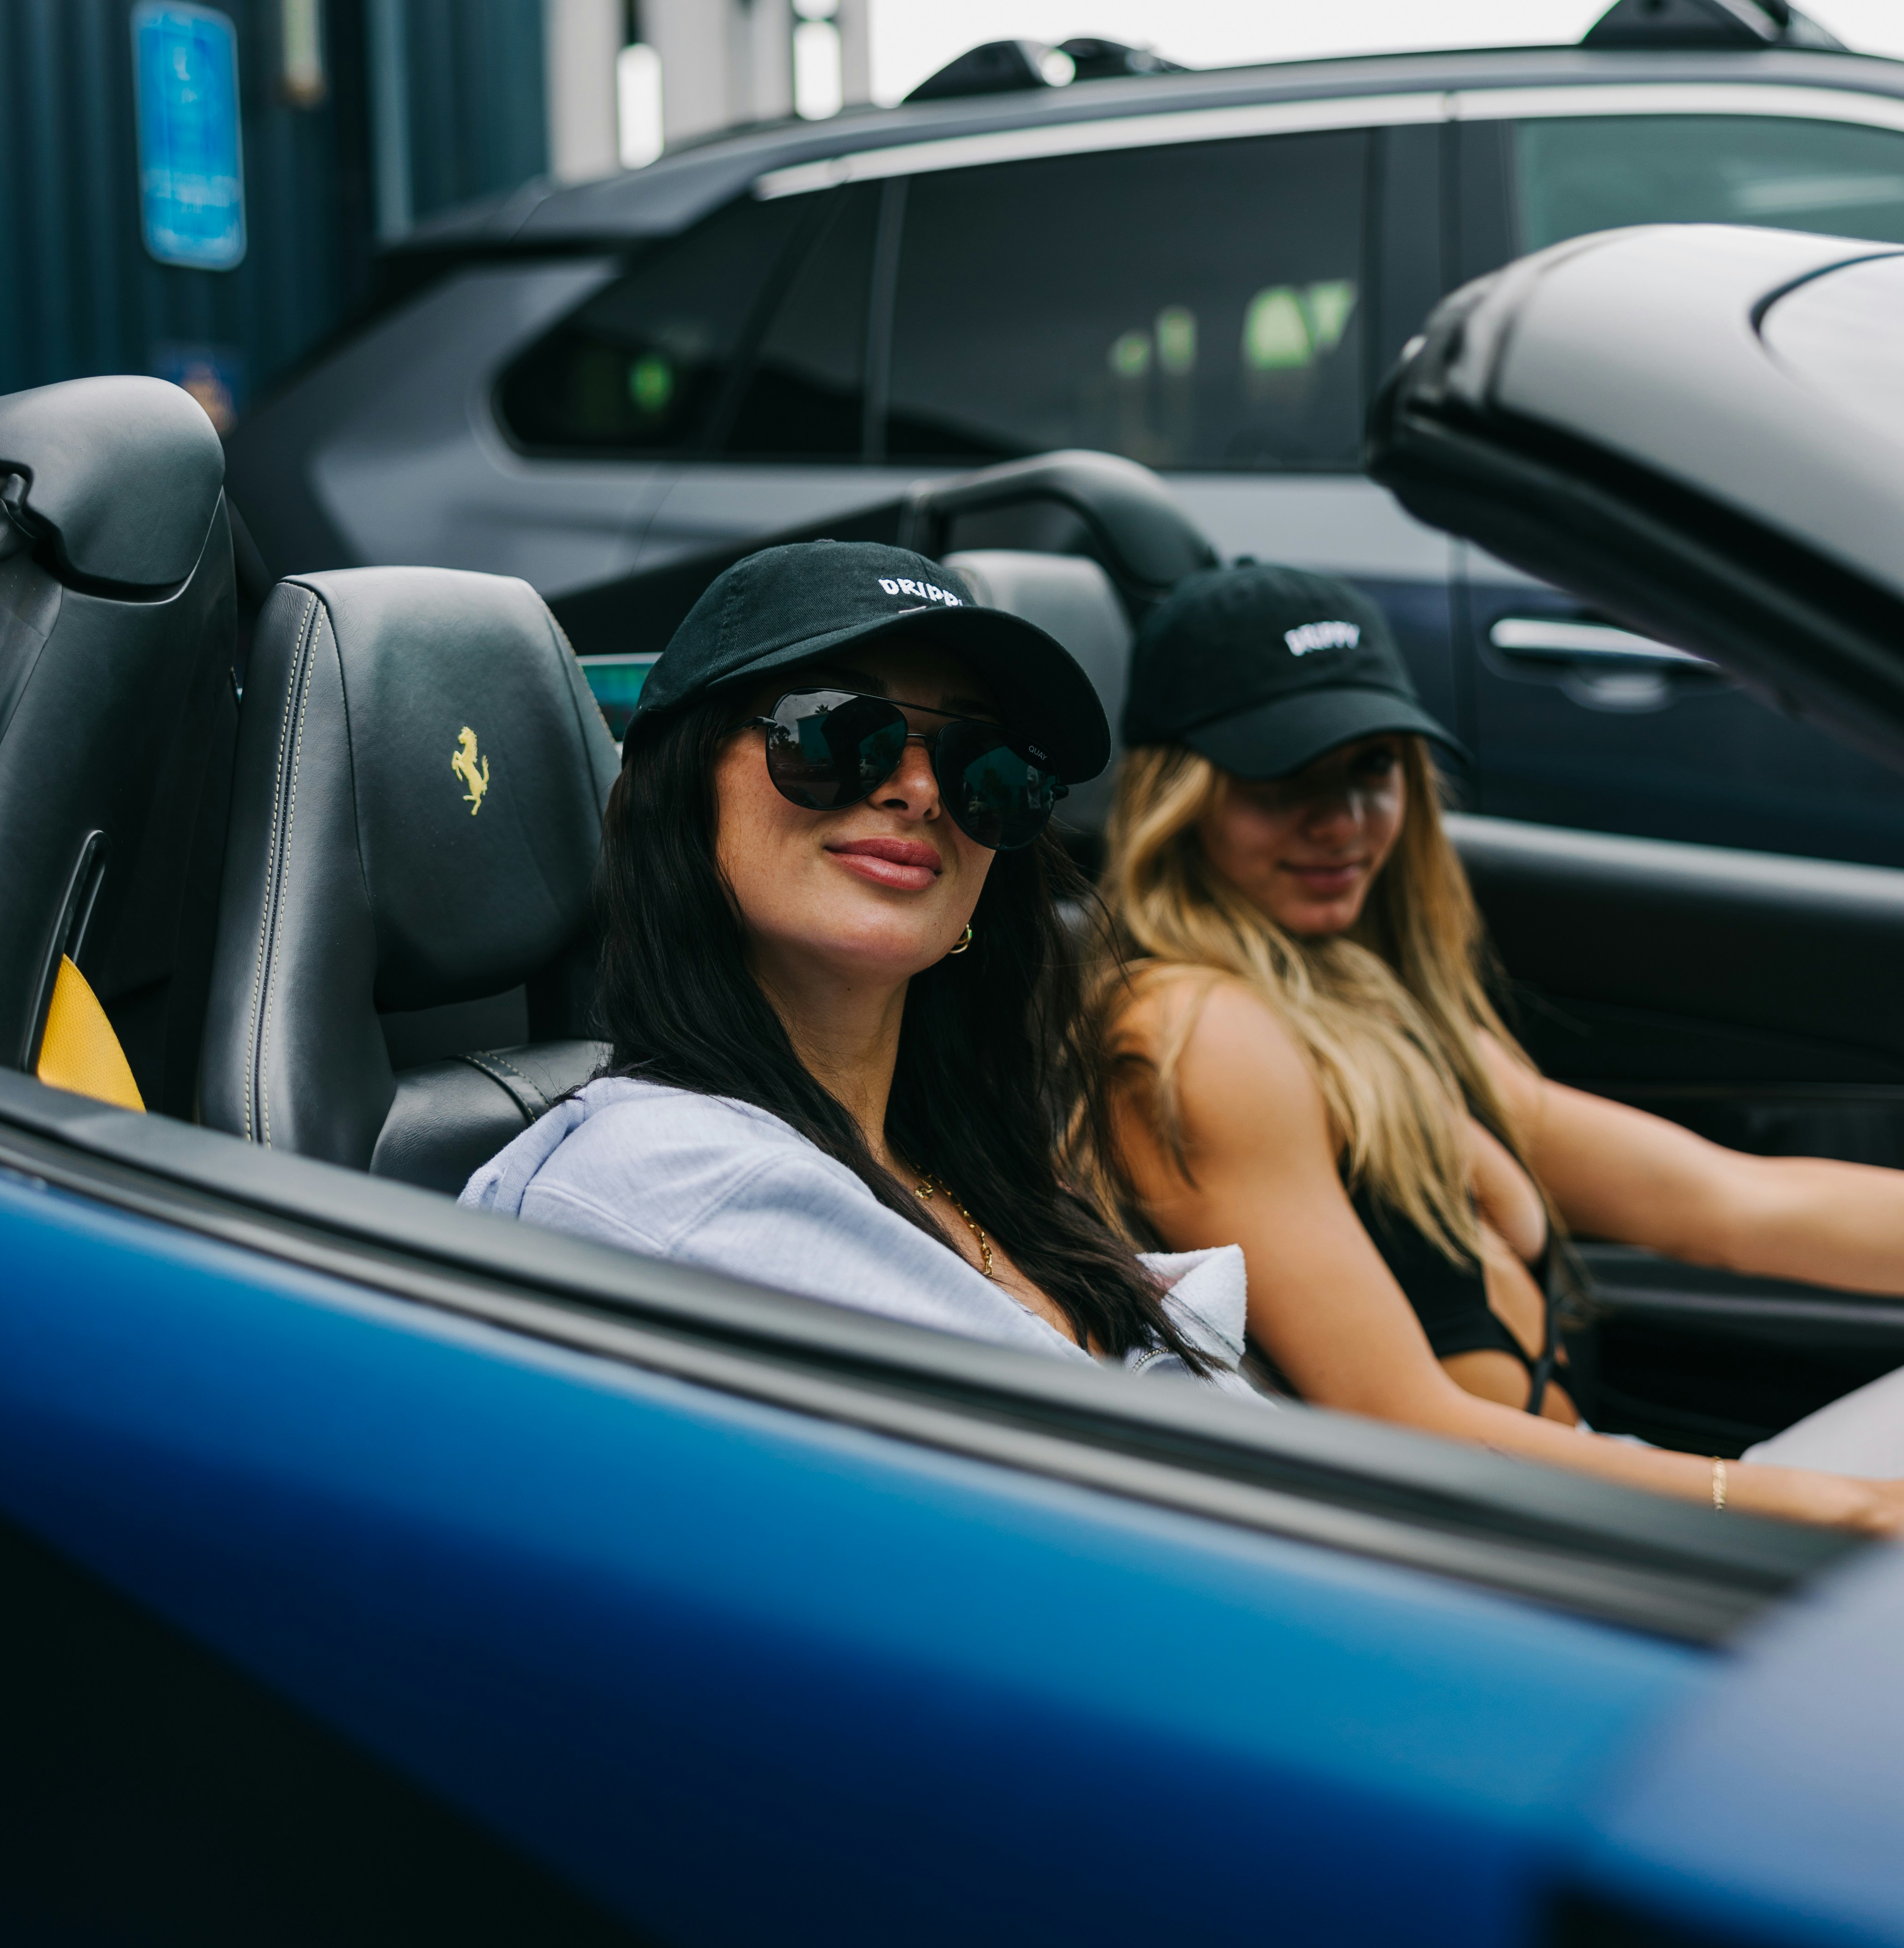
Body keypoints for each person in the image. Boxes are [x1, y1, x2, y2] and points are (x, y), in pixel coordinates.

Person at [1086, 559, 1904, 1535]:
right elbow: (1403, 1426)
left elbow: (1726, 1204)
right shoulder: (1197, 1032)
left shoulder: (1366, 1002)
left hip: (1603, 1497)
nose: (1342, 821)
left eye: (1372, 767)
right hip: (1525, 1554)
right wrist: (1834, 1507)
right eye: (1286, 778)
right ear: (1185, 796)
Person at [464, 540, 1256, 1391]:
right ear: (680, 791)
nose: (920, 791)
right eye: (837, 733)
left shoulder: (978, 1178)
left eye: (980, 764)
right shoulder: (670, 1180)